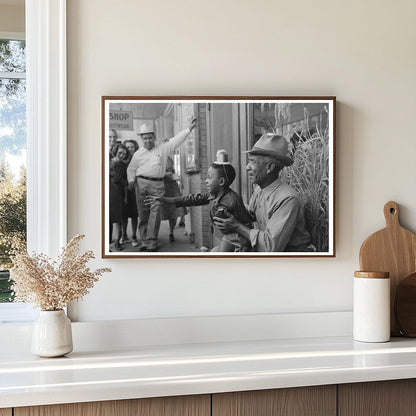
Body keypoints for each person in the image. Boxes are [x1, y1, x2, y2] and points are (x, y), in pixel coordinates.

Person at [214, 134, 314, 252]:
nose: (247, 167)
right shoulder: (259, 190)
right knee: (216, 252)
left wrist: (236, 226)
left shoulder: (288, 199)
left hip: (289, 258)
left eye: (252, 162)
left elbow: (270, 247)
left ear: (269, 167)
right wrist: (232, 206)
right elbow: (249, 217)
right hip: (265, 252)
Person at [146, 150, 252, 252]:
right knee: (217, 254)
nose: (206, 181)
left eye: (209, 178)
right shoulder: (213, 195)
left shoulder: (233, 200)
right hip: (228, 236)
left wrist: (245, 248)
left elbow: (246, 222)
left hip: (239, 239)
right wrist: (164, 200)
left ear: (221, 181)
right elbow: (190, 199)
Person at [127, 118, 197, 251]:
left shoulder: (163, 148)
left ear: (154, 137)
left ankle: (152, 242)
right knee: (143, 214)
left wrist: (188, 129)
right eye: (145, 138)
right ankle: (144, 242)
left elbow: (175, 141)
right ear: (141, 138)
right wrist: (131, 181)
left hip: (157, 185)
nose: (148, 141)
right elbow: (131, 169)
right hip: (141, 184)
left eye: (150, 138)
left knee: (155, 213)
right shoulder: (137, 154)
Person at [160, 155, 187, 243]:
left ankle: (171, 232)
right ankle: (154, 235)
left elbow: (172, 172)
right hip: (163, 190)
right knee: (160, 212)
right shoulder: (158, 159)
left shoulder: (169, 160)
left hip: (173, 189)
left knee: (174, 212)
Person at [109, 143, 129, 251]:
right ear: (116, 151)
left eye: (124, 154)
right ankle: (107, 243)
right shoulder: (107, 162)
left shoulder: (124, 166)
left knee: (118, 218)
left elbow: (125, 182)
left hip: (119, 192)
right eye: (120, 153)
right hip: (108, 191)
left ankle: (117, 241)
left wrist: (125, 197)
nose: (121, 155)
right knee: (108, 218)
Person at [121, 139, 140, 247]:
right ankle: (124, 235)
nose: (129, 149)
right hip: (124, 190)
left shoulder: (138, 159)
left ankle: (134, 235)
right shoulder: (123, 159)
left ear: (135, 148)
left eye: (132, 147)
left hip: (135, 190)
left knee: (134, 215)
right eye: (127, 147)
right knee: (123, 215)